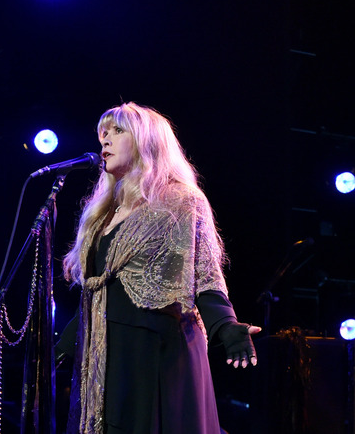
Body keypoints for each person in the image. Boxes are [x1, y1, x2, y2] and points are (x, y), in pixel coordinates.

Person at [55, 102, 260, 434]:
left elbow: (204, 273)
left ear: (146, 141)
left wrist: (226, 325)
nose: (105, 139)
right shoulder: (101, 214)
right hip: (109, 354)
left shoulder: (180, 201)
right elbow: (97, 292)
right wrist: (61, 350)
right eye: (102, 132)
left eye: (117, 131)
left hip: (157, 351)